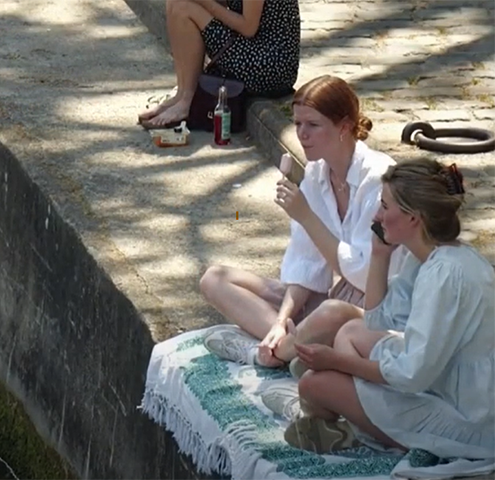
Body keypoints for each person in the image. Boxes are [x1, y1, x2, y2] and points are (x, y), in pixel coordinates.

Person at [284, 159, 495, 460]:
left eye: (385, 206)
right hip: (445, 383)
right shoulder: (430, 255)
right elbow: (376, 319)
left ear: (413, 218)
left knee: (313, 384)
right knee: (352, 330)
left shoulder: (445, 274)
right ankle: (352, 419)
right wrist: (379, 255)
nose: (376, 215)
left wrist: (339, 362)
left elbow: (412, 375)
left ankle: (362, 430)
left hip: (472, 418)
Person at [200, 75, 405, 371]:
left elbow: (364, 274)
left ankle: (266, 354)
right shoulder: (317, 172)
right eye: (297, 124)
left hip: (374, 307)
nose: (302, 134)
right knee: (214, 279)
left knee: (329, 314)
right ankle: (287, 343)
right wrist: (282, 320)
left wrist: (306, 216)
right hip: (333, 296)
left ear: (344, 127)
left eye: (312, 125)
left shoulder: (377, 179)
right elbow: (305, 264)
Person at [138, 0, 300, 129]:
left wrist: (206, 3)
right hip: (253, 47)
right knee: (176, 2)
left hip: (270, 64)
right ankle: (182, 94)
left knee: (185, 8)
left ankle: (188, 100)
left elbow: (248, 27)